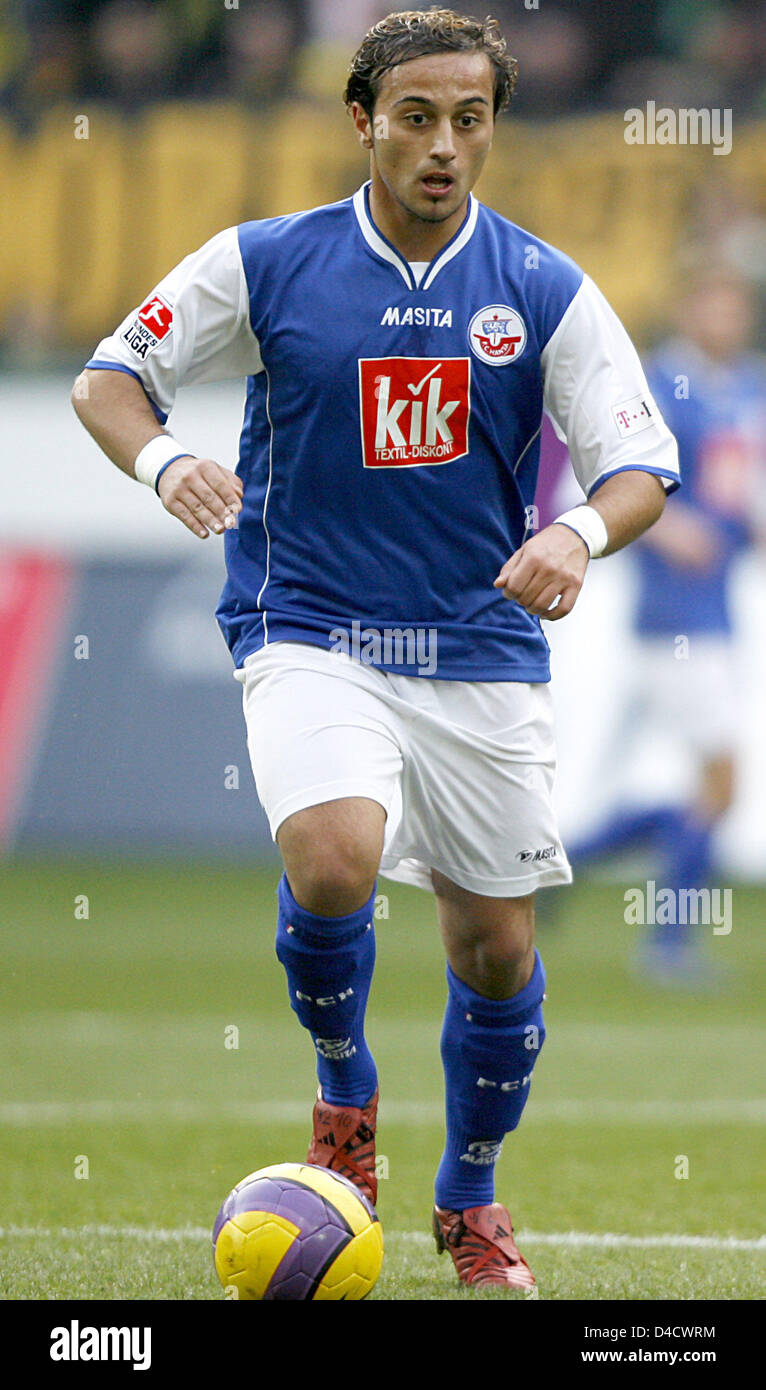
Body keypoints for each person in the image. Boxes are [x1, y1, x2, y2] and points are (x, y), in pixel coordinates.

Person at [71, 7, 679, 1293]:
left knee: (495, 948)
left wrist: (575, 533)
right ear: (363, 121)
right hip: (312, 627)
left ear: (492, 130)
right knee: (335, 854)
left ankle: (469, 1195)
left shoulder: (541, 286)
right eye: (417, 117)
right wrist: (167, 455)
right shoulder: (267, 262)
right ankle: (344, 1095)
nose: (444, 144)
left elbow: (640, 466)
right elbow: (108, 377)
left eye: (469, 120)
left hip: (478, 645)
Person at [568, 265, 765, 985]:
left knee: (708, 784)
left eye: (736, 304)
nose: (727, 316)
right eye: (714, 300)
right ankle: (669, 943)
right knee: (721, 781)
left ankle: (562, 866)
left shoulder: (746, 387)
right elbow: (605, 477)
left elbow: (742, 496)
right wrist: (667, 528)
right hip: (672, 614)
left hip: (717, 612)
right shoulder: (657, 382)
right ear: (688, 308)